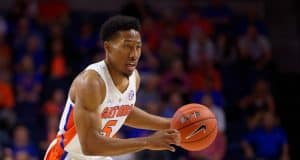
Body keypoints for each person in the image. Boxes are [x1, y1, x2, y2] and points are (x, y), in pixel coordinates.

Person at [44, 15, 181, 160]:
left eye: (138, 47)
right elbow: (90, 145)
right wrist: (148, 142)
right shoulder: (91, 82)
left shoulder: (135, 77)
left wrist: (170, 124)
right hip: (69, 155)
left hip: (99, 155)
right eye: (127, 46)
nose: (134, 55)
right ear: (108, 47)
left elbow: (123, 110)